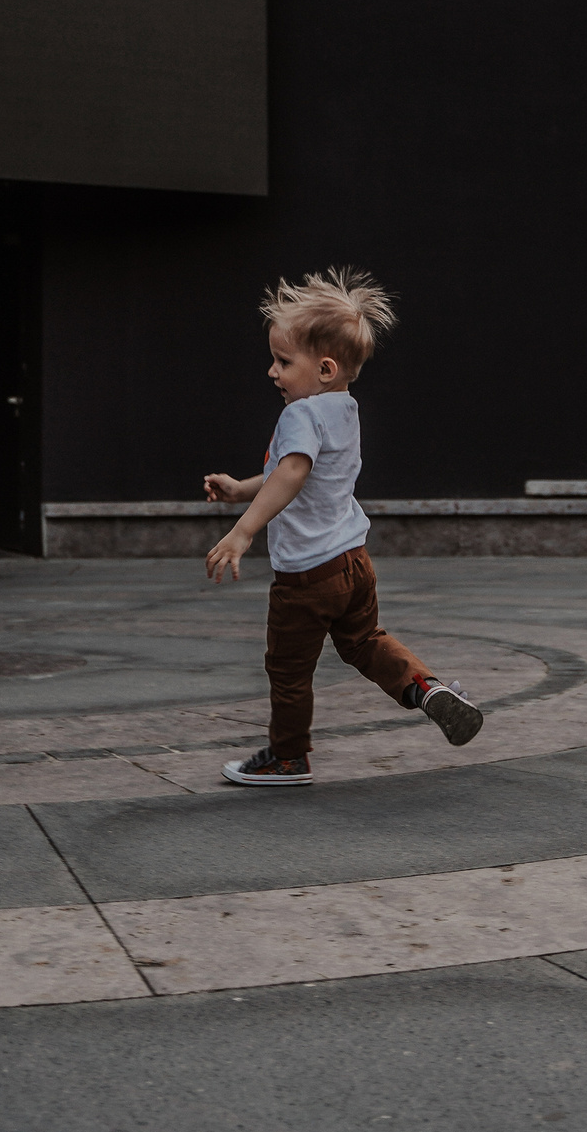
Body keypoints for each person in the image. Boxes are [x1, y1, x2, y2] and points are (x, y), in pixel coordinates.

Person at [202, 268, 482, 786]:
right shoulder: (344, 410)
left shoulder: (300, 414)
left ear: (325, 368)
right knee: (366, 642)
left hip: (307, 578)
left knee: (288, 672)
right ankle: (426, 688)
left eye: (284, 361)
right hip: (354, 563)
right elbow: (286, 476)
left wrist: (243, 530)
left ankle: (289, 757)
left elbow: (291, 472)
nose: (272, 372)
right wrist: (239, 489)